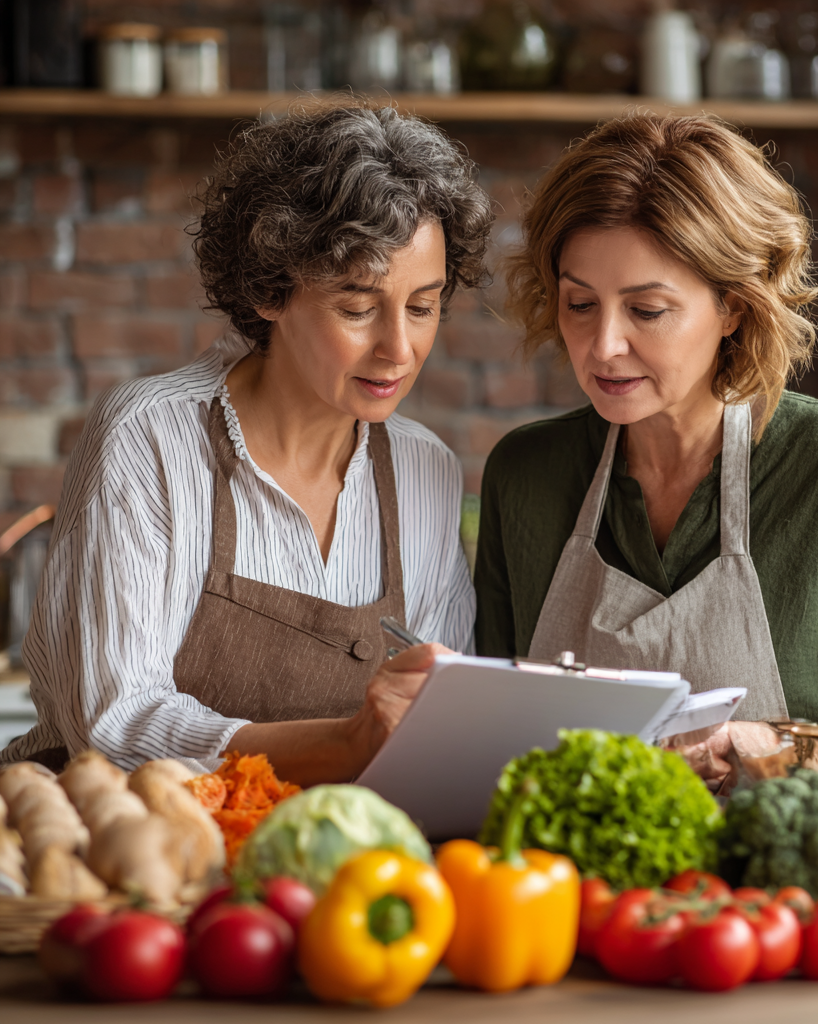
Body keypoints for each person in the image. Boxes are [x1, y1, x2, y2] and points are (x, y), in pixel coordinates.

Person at [3, 104, 493, 784]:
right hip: (110, 829)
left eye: (423, 306)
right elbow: (113, 722)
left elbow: (435, 714)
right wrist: (344, 744)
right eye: (357, 307)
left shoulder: (425, 469)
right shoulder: (150, 434)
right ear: (270, 290)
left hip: (317, 843)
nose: (399, 349)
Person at [474, 114, 818, 784]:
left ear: (734, 307)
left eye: (647, 310)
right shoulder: (525, 476)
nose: (604, 345)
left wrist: (772, 746)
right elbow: (493, 751)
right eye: (580, 304)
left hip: (778, 857)